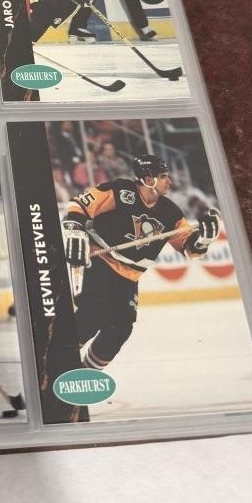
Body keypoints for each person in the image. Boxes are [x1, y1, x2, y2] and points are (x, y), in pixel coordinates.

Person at [61, 153, 221, 370]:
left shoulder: (170, 212)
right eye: (163, 176)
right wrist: (76, 231)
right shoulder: (119, 191)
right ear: (148, 179)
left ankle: (85, 373)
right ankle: (56, 359)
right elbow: (78, 205)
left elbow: (189, 249)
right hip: (100, 263)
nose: (169, 181)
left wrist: (204, 239)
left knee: (120, 329)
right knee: (92, 315)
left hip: (128, 279)